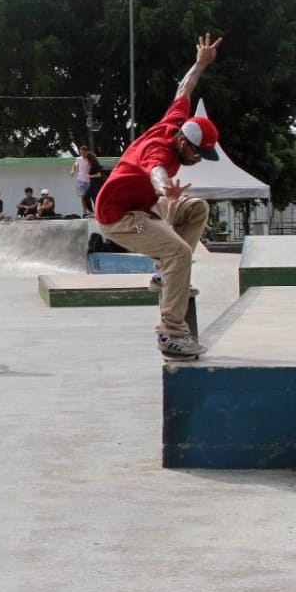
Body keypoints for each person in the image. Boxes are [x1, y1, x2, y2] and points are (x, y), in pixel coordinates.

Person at [94, 32, 222, 361]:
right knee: (179, 252)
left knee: (195, 209)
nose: (196, 161)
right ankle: (171, 334)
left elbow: (184, 89)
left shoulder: (177, 122)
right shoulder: (159, 153)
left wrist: (200, 63)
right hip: (118, 215)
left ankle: (162, 272)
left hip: (144, 200)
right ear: (184, 143)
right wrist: (166, 190)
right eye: (196, 156)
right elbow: (155, 173)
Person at [70, 146, 93, 214]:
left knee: (88, 196)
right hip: (80, 180)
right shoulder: (78, 159)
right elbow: (75, 165)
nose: (82, 154)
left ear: (87, 152)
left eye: (84, 153)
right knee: (82, 196)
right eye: (81, 153)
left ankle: (90, 210)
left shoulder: (90, 159)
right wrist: (72, 171)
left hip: (88, 180)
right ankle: (84, 211)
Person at [81, 150, 104, 216]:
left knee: (86, 196)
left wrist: (90, 175)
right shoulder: (93, 164)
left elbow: (99, 175)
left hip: (96, 184)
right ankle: (96, 212)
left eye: (87, 159)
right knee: (94, 198)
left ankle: (91, 211)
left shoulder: (95, 164)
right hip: (94, 183)